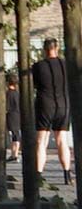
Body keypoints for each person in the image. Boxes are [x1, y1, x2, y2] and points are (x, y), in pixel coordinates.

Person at [33, 38, 73, 184]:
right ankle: (67, 174)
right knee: (61, 140)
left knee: (41, 141)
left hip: (45, 103)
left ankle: (38, 175)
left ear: (44, 49)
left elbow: (36, 85)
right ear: (57, 48)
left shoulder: (38, 66)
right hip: (63, 104)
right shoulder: (66, 65)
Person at [6, 74, 21, 162]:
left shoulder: (8, 94)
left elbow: (6, 107)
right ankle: (15, 153)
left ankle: (13, 154)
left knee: (12, 134)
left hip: (11, 115)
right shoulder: (17, 93)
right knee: (16, 134)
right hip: (17, 115)